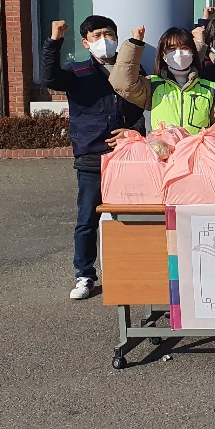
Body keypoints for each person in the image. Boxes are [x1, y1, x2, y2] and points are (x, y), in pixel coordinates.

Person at [38, 16, 144, 300]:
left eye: (109, 34)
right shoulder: (78, 72)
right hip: (92, 155)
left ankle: (134, 272)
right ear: (86, 43)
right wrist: (54, 41)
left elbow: (145, 107)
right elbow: (49, 78)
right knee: (87, 219)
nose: (104, 40)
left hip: (128, 156)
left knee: (135, 216)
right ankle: (84, 275)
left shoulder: (132, 69)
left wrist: (133, 131)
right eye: (97, 35)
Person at [110, 26, 215, 134]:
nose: (178, 53)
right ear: (163, 55)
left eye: (184, 48)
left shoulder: (211, 89)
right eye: (172, 49)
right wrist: (135, 44)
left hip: (196, 153)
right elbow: (122, 84)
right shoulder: (152, 85)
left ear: (192, 53)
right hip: (160, 152)